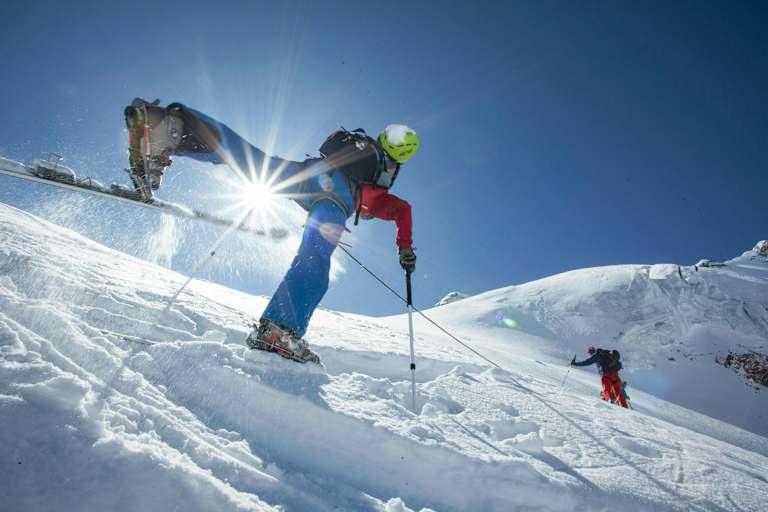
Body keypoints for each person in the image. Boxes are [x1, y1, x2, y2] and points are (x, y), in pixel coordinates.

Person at [124, 98, 420, 363]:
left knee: (252, 161)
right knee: (316, 258)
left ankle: (169, 127)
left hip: (310, 176)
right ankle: (280, 330)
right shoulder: (379, 182)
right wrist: (405, 248)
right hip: (334, 198)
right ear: (399, 159)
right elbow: (402, 210)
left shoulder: (363, 151)